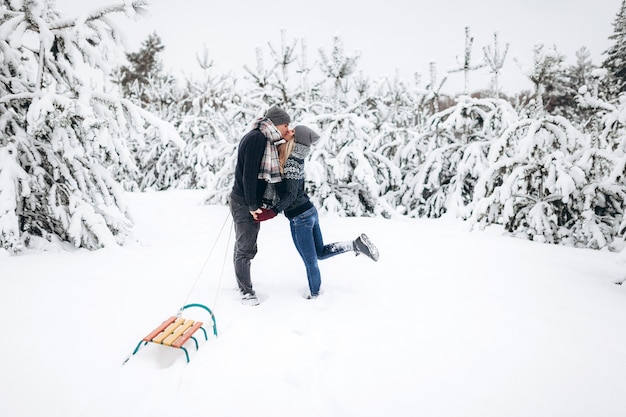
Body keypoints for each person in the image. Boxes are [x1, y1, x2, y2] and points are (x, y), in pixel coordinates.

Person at [261, 125, 380, 299]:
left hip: (300, 217)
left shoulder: (292, 161)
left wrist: (273, 211)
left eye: (293, 131)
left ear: (297, 139)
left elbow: (291, 193)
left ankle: (315, 296)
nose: (289, 131)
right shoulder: (295, 157)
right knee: (320, 253)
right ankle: (354, 245)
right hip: (309, 212)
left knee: (311, 262)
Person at [229, 105, 294, 306]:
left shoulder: (261, 137)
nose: (287, 129)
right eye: (286, 125)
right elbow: (249, 174)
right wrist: (252, 204)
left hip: (244, 200)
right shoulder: (258, 139)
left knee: (243, 244)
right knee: (246, 247)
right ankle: (246, 292)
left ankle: (242, 282)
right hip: (245, 202)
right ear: (276, 123)